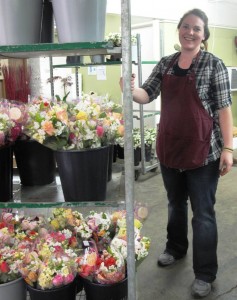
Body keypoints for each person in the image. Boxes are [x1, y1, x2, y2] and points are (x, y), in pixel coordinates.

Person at [120, 8, 234, 299]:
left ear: (204, 35)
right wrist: (130, 89)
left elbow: (223, 109)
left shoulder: (214, 64)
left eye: (197, 28)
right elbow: (147, 94)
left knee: (204, 215)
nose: (190, 32)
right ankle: (175, 248)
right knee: (175, 204)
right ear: (179, 30)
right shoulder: (166, 64)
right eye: (186, 26)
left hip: (203, 153)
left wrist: (228, 148)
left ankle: (205, 273)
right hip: (170, 149)